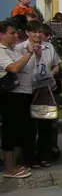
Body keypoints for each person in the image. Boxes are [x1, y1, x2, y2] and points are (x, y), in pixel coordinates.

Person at [22, 20, 60, 168]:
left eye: (39, 32)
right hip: (28, 89)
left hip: (45, 88)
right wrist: (34, 55)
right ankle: (29, 158)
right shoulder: (21, 47)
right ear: (27, 33)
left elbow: (56, 65)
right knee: (30, 126)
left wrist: (50, 74)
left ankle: (44, 156)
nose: (37, 35)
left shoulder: (49, 47)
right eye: (34, 32)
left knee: (46, 124)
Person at [1, 19, 33, 179]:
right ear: (1, 35)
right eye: (11, 33)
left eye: (16, 33)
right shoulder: (1, 51)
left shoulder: (14, 49)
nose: (15, 36)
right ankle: (8, 168)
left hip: (24, 94)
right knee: (10, 130)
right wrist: (29, 54)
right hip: (11, 95)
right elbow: (14, 68)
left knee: (20, 130)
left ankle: (14, 164)